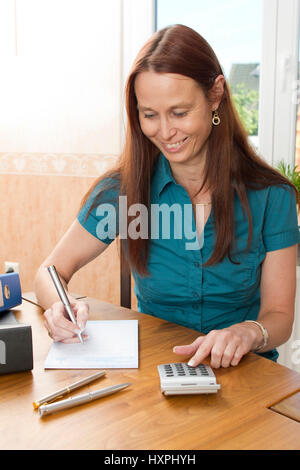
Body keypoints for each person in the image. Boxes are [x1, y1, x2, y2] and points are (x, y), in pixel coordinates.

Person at [34, 24, 300, 368]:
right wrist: (61, 305)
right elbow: (49, 271)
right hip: (157, 379)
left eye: (179, 112)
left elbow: (279, 317)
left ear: (215, 94)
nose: (165, 131)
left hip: (249, 381)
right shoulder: (121, 193)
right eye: (149, 115)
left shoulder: (272, 196)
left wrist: (247, 332)